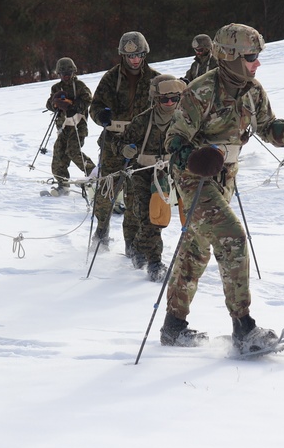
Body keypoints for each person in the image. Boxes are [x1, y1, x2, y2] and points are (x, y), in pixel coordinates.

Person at [159, 23, 284, 353]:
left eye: (258, 56)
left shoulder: (252, 90)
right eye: (251, 56)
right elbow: (173, 141)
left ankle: (173, 327)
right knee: (232, 236)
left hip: (224, 178)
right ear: (230, 57)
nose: (257, 63)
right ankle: (243, 328)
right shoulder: (201, 91)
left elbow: (268, 128)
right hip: (195, 178)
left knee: (196, 249)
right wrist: (195, 157)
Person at [88, 31, 161, 254]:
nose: (135, 60)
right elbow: (95, 106)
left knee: (135, 195)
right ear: (122, 55)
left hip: (140, 143)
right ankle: (101, 229)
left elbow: (164, 109)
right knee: (106, 190)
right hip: (113, 142)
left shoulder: (155, 79)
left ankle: (131, 242)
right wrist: (101, 116)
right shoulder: (110, 78)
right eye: (130, 56)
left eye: (139, 55)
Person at [118, 74, 187, 281]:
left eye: (174, 99)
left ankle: (139, 247)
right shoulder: (143, 121)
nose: (169, 103)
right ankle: (155, 263)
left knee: (176, 216)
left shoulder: (185, 119)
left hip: (173, 171)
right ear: (155, 99)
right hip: (144, 172)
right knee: (152, 217)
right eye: (164, 99)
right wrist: (126, 150)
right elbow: (120, 143)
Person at [45, 57, 95, 196]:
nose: (66, 75)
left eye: (69, 72)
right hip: (63, 128)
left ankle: (95, 174)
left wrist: (73, 105)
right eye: (63, 73)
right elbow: (49, 105)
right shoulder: (55, 88)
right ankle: (63, 184)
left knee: (73, 151)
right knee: (59, 154)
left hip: (78, 126)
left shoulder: (80, 86)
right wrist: (55, 103)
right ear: (58, 74)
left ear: (74, 72)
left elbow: (88, 100)